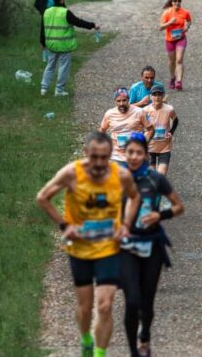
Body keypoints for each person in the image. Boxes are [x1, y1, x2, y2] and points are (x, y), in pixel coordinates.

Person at [36, 131, 141, 357]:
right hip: (80, 250)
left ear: (110, 155)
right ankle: (85, 339)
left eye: (104, 157)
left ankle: (99, 354)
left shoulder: (121, 175)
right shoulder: (71, 173)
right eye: (94, 157)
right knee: (85, 308)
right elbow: (42, 197)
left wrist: (126, 225)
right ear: (86, 153)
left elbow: (135, 197)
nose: (99, 163)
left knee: (105, 305)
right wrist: (65, 226)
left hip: (109, 248)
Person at [118, 132, 184, 357]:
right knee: (132, 301)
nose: (134, 157)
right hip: (126, 246)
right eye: (130, 152)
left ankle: (144, 335)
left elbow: (179, 206)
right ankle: (133, 352)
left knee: (146, 303)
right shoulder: (117, 180)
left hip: (152, 245)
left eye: (139, 153)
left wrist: (160, 215)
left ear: (146, 155)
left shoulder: (156, 180)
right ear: (124, 154)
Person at [41, 0, 100, 97]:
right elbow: (78, 22)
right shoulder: (65, 12)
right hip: (64, 45)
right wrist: (92, 25)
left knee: (50, 66)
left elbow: (43, 28)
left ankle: (43, 89)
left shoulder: (47, 12)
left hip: (51, 44)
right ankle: (59, 90)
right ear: (61, 0)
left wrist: (42, 42)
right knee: (63, 67)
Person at [100, 88, 154, 165]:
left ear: (128, 99)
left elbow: (151, 129)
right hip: (116, 156)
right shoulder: (109, 114)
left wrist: (144, 143)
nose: (121, 103)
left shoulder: (139, 112)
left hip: (136, 155)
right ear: (115, 101)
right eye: (118, 101)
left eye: (124, 100)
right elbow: (102, 130)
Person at [159, 0, 192, 91]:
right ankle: (172, 78)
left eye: (179, 1)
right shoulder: (167, 13)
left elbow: (189, 21)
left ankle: (179, 82)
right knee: (172, 61)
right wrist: (170, 22)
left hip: (181, 38)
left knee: (179, 60)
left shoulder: (185, 12)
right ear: (171, 2)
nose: (177, 3)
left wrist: (187, 27)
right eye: (175, 1)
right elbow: (160, 27)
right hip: (170, 40)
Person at [143, 85, 177, 175]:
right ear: (151, 96)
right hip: (150, 148)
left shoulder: (169, 109)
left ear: (163, 96)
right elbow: (140, 126)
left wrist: (171, 132)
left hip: (164, 148)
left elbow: (175, 120)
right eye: (154, 95)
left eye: (159, 95)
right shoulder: (145, 111)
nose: (157, 97)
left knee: (161, 175)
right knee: (151, 176)